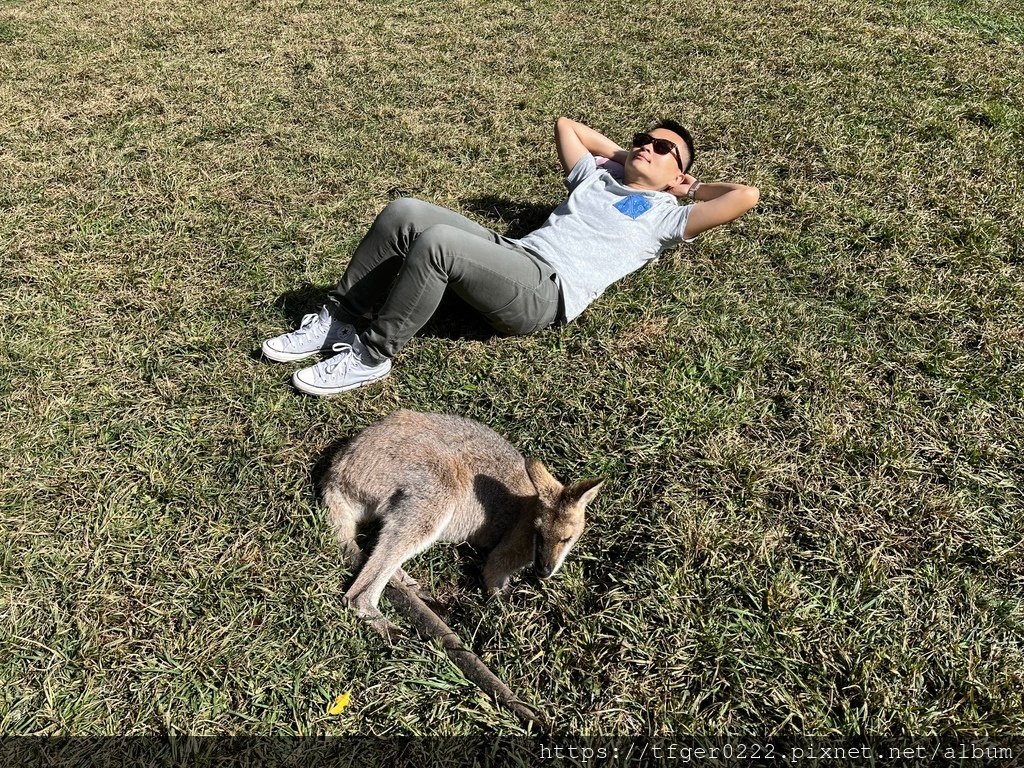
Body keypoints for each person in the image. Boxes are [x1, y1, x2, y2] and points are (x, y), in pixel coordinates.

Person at [262, 117, 759, 395]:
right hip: (514, 258)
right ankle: (340, 320)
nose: (647, 147)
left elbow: (744, 195)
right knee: (405, 212)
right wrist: (624, 158)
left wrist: (687, 187)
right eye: (642, 140)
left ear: (678, 175)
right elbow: (569, 126)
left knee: (437, 244)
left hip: (546, 294)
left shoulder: (666, 218)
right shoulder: (597, 178)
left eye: (662, 147)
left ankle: (373, 354)